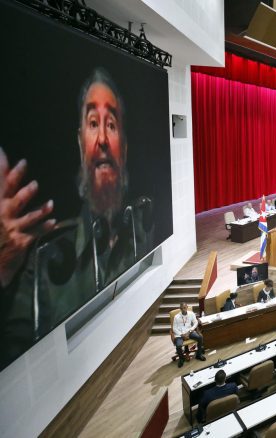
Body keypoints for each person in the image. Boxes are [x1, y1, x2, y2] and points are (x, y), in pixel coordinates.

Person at [2, 69, 155, 367]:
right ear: (79, 143)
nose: (101, 139)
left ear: (123, 145)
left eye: (110, 125)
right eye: (92, 123)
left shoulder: (145, 225)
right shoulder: (43, 262)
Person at [173, 303, 206, 367]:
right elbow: (174, 328)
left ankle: (198, 355)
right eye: (181, 308)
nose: (183, 309)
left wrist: (190, 330)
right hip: (179, 335)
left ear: (187, 307)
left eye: (184, 308)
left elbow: (195, 322)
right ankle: (181, 359)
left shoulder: (191, 314)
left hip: (189, 332)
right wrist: (182, 335)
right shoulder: (176, 317)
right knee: (178, 345)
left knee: (200, 337)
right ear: (180, 309)